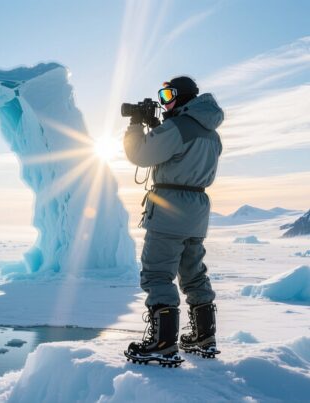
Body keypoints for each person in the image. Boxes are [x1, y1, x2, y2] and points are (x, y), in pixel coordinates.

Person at [122, 76, 224, 365]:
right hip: (197, 209)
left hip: (170, 208)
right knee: (193, 272)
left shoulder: (179, 126)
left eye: (168, 95)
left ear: (183, 96)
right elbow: (181, 157)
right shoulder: (210, 132)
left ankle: (163, 342)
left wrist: (135, 126)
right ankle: (204, 335)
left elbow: (140, 154)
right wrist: (160, 128)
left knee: (157, 274)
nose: (165, 101)